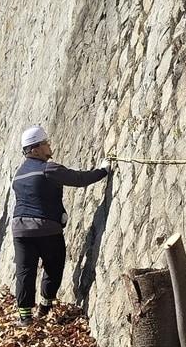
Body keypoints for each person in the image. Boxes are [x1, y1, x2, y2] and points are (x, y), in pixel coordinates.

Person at [11, 125, 112, 325]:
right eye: (45, 143)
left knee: (25, 271)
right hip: (45, 228)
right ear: (35, 150)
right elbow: (78, 179)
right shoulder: (48, 168)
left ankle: (25, 317)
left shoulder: (18, 174)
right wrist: (103, 170)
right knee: (54, 265)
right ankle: (45, 305)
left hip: (20, 229)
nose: (49, 146)